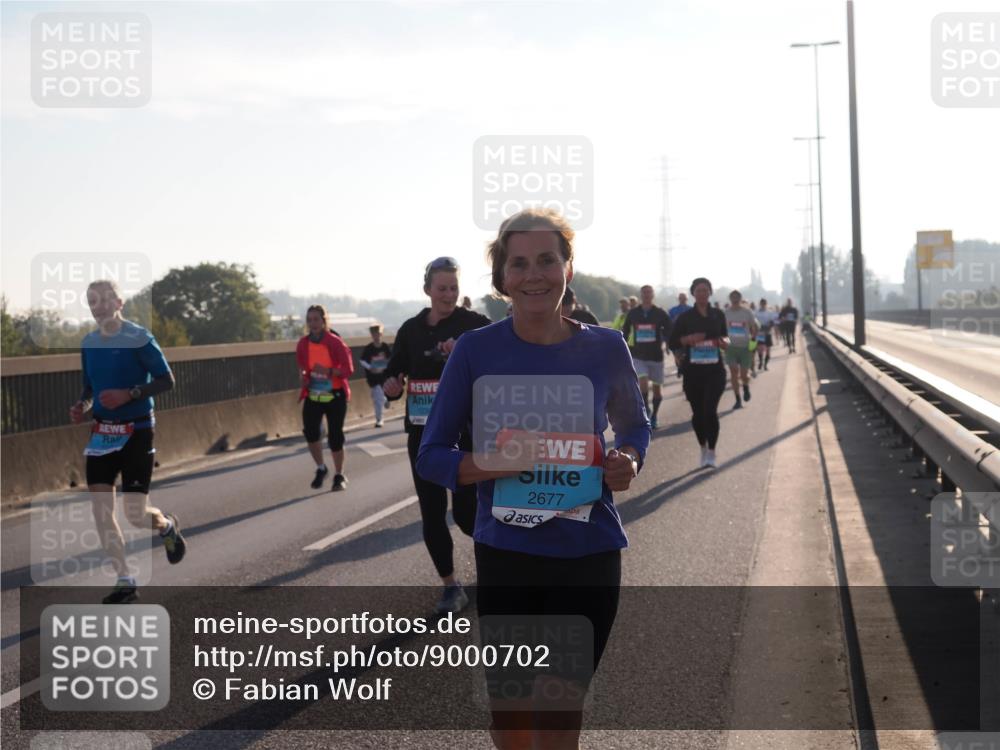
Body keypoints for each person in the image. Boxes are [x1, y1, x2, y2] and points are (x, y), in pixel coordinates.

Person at [417, 208, 649, 750]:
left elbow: (635, 424)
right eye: (518, 264)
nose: (534, 274)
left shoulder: (605, 348)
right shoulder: (477, 351)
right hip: (507, 555)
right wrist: (489, 465)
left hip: (588, 554)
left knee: (561, 714)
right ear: (502, 279)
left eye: (547, 259)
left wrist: (630, 459)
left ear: (568, 266)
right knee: (512, 716)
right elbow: (431, 456)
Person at [382, 256, 491, 614]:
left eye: (454, 289)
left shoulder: (473, 325)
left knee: (465, 513)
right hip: (423, 434)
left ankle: (497, 566)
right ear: (427, 289)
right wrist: (393, 387)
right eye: (442, 288)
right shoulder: (411, 330)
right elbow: (393, 379)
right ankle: (450, 586)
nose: (448, 295)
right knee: (431, 512)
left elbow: (501, 360)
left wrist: (463, 352)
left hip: (467, 433)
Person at [69, 280, 187, 604]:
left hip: (137, 430)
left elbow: (167, 381)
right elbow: (89, 388)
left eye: (105, 300)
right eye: (93, 302)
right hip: (103, 433)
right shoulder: (89, 343)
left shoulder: (139, 338)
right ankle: (125, 579)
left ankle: (165, 526)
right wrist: (83, 406)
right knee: (100, 509)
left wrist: (130, 393)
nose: (99, 307)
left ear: (119, 302)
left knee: (135, 513)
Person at [668, 278, 730, 468]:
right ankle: (702, 447)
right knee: (698, 413)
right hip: (693, 372)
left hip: (715, 370)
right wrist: (687, 339)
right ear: (693, 293)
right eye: (698, 290)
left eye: (705, 290)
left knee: (710, 411)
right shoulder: (685, 318)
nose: (702, 293)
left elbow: (725, 335)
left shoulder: (718, 314)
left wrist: (724, 342)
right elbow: (673, 342)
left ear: (710, 292)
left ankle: (712, 451)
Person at [297, 305, 354, 491]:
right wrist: (305, 377)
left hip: (335, 395)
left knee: (335, 437)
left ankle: (339, 475)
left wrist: (329, 371)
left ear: (324, 321)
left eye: (316, 319)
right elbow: (303, 367)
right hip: (314, 394)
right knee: (311, 432)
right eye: (310, 320)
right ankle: (321, 468)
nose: (313, 323)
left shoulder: (335, 342)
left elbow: (348, 370)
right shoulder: (303, 344)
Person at [620, 285, 672, 430]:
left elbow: (669, 329)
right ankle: (646, 409)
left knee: (657, 390)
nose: (647, 295)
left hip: (656, 356)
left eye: (649, 292)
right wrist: (622, 346)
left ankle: (654, 415)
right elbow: (625, 330)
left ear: (653, 294)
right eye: (644, 293)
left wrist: (667, 343)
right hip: (638, 355)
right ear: (641, 295)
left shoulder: (660, 313)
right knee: (642, 382)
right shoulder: (633, 313)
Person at [724, 290, 757, 409]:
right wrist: (725, 345)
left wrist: (752, 347)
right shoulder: (726, 313)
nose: (735, 299)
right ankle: (737, 399)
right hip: (731, 347)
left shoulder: (747, 312)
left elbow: (754, 329)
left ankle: (746, 387)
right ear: (730, 299)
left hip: (745, 347)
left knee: (744, 375)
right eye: (732, 297)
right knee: (733, 372)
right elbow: (723, 331)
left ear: (740, 298)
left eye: (737, 297)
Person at [360, 324, 392, 428]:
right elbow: (362, 360)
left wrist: (387, 365)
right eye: (373, 334)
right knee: (377, 398)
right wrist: (370, 367)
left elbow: (391, 359)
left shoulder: (385, 347)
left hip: (384, 376)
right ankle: (379, 419)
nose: (376, 336)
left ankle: (386, 402)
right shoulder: (369, 348)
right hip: (374, 377)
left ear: (381, 334)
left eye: (377, 333)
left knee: (379, 397)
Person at [754, 299, 778, 371]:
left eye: (764, 304)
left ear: (766, 304)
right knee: (760, 349)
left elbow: (773, 322)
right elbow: (754, 322)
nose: (763, 305)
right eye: (762, 304)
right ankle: (761, 361)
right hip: (760, 333)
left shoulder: (769, 312)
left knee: (768, 350)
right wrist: (758, 328)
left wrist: (768, 327)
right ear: (760, 304)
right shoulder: (756, 313)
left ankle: (765, 365)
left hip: (767, 333)